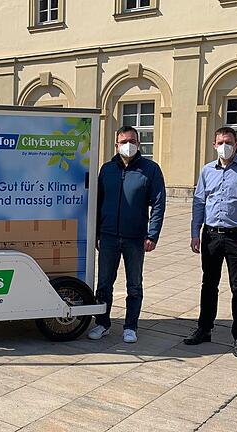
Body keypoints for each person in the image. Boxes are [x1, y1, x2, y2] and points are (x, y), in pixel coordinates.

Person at [186, 126, 237, 358]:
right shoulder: (207, 170)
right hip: (210, 235)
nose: (224, 146)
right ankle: (204, 328)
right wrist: (194, 232)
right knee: (208, 284)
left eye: (228, 142)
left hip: (236, 236)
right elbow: (199, 201)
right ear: (214, 145)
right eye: (220, 142)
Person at [87, 125, 166, 343]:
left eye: (131, 141)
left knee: (134, 285)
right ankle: (102, 323)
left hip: (135, 237)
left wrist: (153, 234)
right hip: (109, 236)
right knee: (104, 283)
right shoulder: (107, 169)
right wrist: (95, 233)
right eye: (123, 142)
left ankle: (131, 326)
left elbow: (158, 203)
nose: (127, 145)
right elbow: (97, 202)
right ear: (116, 145)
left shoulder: (150, 169)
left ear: (138, 143)